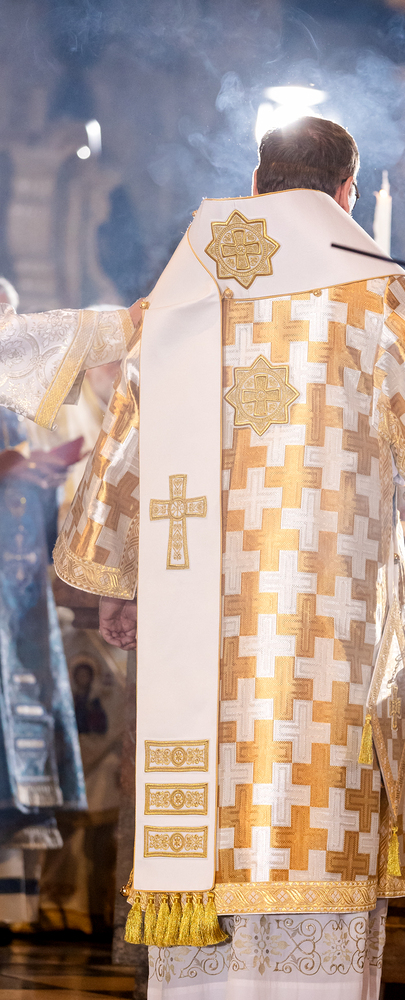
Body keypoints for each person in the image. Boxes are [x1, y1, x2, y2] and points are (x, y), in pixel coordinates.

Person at [0, 118, 405, 998]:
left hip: (204, 619)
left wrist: (123, 577)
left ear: (256, 183)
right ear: (345, 192)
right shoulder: (373, 291)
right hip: (325, 622)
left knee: (214, 807)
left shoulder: (191, 285)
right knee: (317, 803)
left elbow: (129, 437)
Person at [0, 279, 87, 930]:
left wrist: (38, 475)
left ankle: (15, 910)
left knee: (18, 753)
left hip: (19, 595)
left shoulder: (21, 394)